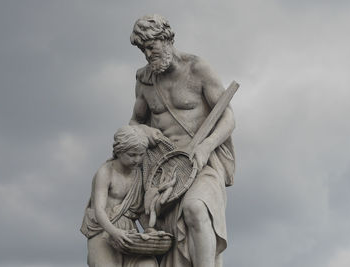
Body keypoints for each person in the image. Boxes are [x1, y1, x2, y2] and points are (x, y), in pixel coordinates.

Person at [129, 14, 236, 267]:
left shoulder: (197, 68)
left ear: (167, 39)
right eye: (143, 49)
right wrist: (143, 132)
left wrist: (206, 146)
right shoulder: (144, 80)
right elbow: (135, 122)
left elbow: (228, 117)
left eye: (151, 46)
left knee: (196, 208)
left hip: (203, 164)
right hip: (164, 175)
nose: (147, 54)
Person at [80, 125, 158, 267]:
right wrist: (114, 232)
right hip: (104, 230)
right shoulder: (105, 173)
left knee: (148, 264)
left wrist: (149, 230)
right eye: (132, 155)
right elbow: (99, 210)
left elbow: (138, 211)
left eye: (141, 155)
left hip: (128, 233)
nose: (137, 159)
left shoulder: (138, 174)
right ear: (119, 151)